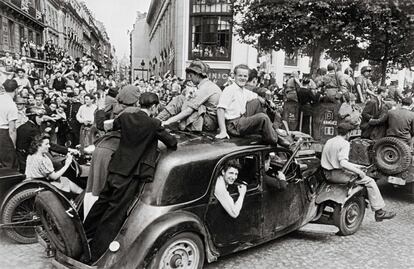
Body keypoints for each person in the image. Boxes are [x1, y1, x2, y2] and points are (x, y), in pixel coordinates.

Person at [83, 92, 178, 262]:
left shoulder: (126, 117)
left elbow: (112, 126)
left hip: (115, 168)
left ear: (139, 104)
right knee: (114, 214)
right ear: (154, 107)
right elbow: (172, 143)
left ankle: (82, 236)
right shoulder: (154, 123)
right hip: (130, 175)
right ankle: (95, 255)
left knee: (101, 204)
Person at [321, 122, 395, 222]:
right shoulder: (345, 143)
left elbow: (337, 161)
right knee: (370, 181)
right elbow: (342, 163)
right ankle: (379, 212)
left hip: (327, 173)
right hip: (337, 175)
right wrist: (359, 172)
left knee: (360, 172)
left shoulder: (329, 141)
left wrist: (358, 167)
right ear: (348, 133)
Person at [215, 64, 281, 146]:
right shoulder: (229, 90)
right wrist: (223, 131)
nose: (242, 78)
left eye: (245, 76)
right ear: (234, 76)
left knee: (256, 102)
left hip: (241, 120)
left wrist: (269, 102)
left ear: (248, 78)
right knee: (263, 117)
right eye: (240, 75)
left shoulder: (243, 90)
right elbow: (220, 109)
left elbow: (256, 96)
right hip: (233, 125)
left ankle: (266, 131)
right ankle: (277, 141)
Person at [161, 60, 222, 131]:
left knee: (182, 100)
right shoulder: (208, 85)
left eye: (191, 75)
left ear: (197, 75)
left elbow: (188, 111)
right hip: (210, 120)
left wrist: (168, 121)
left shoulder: (205, 88)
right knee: (182, 99)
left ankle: (159, 120)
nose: (190, 78)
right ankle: (159, 119)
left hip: (208, 123)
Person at [0, 79, 18, 168]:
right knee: (8, 165)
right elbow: (12, 130)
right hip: (3, 134)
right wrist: (13, 146)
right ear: (16, 90)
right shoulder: (11, 105)